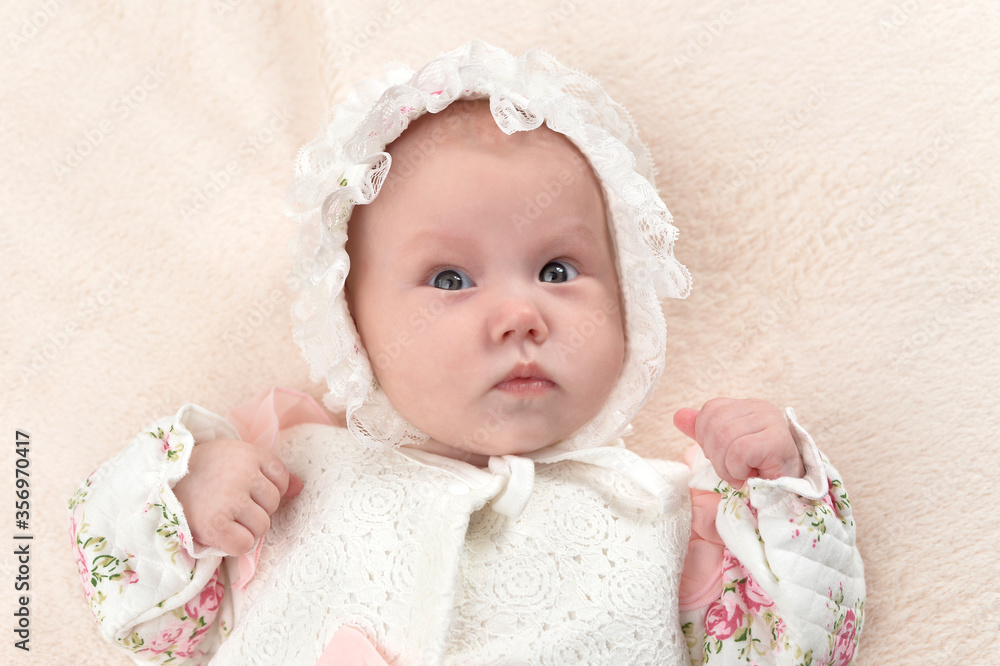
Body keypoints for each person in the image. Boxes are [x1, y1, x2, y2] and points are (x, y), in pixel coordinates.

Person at [68, 41, 864, 665]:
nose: (520, 315)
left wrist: (779, 489)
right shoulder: (295, 476)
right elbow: (150, 622)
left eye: (559, 271)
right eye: (450, 279)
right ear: (352, 324)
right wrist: (187, 496)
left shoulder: (661, 518)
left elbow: (793, 646)